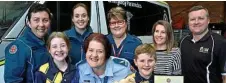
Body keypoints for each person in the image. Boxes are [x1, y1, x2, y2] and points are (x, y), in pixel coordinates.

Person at [4, 3, 51, 83]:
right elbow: (13, 80)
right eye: (36, 20)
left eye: (45, 20)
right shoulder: (19, 47)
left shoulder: (51, 43)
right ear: (29, 23)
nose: (41, 24)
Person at [179, 5, 226, 83]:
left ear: (208, 20)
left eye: (200, 18)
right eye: (192, 19)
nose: (196, 22)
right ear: (188, 22)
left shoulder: (220, 43)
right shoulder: (183, 41)